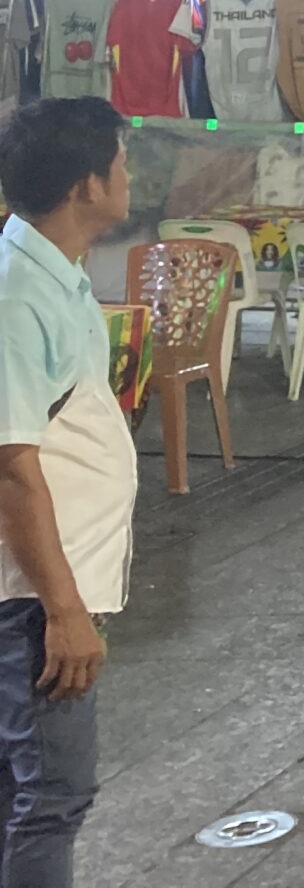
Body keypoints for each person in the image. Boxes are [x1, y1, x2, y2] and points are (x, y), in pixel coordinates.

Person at [0, 99, 134, 885]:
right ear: (87, 184)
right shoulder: (18, 294)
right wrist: (63, 611)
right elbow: (12, 465)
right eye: (121, 163)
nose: (129, 178)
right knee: (52, 795)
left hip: (39, 593)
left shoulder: (55, 273)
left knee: (22, 790)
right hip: (29, 601)